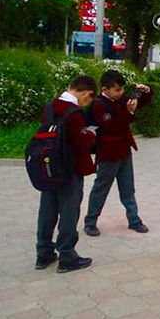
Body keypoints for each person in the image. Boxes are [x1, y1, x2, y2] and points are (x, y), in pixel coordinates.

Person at [36, 75, 97, 273]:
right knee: (69, 212)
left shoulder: (50, 106)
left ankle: (43, 253)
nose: (86, 104)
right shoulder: (73, 113)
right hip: (69, 170)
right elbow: (81, 143)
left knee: (47, 210)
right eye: (88, 100)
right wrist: (90, 135)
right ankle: (67, 255)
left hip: (48, 168)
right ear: (87, 94)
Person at [84, 70, 153, 236]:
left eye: (122, 89)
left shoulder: (120, 100)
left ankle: (134, 220)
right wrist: (128, 112)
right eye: (117, 90)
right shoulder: (99, 105)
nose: (121, 93)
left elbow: (139, 103)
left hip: (124, 151)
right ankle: (90, 222)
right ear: (105, 89)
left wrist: (146, 92)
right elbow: (112, 127)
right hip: (108, 153)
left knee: (128, 188)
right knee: (101, 189)